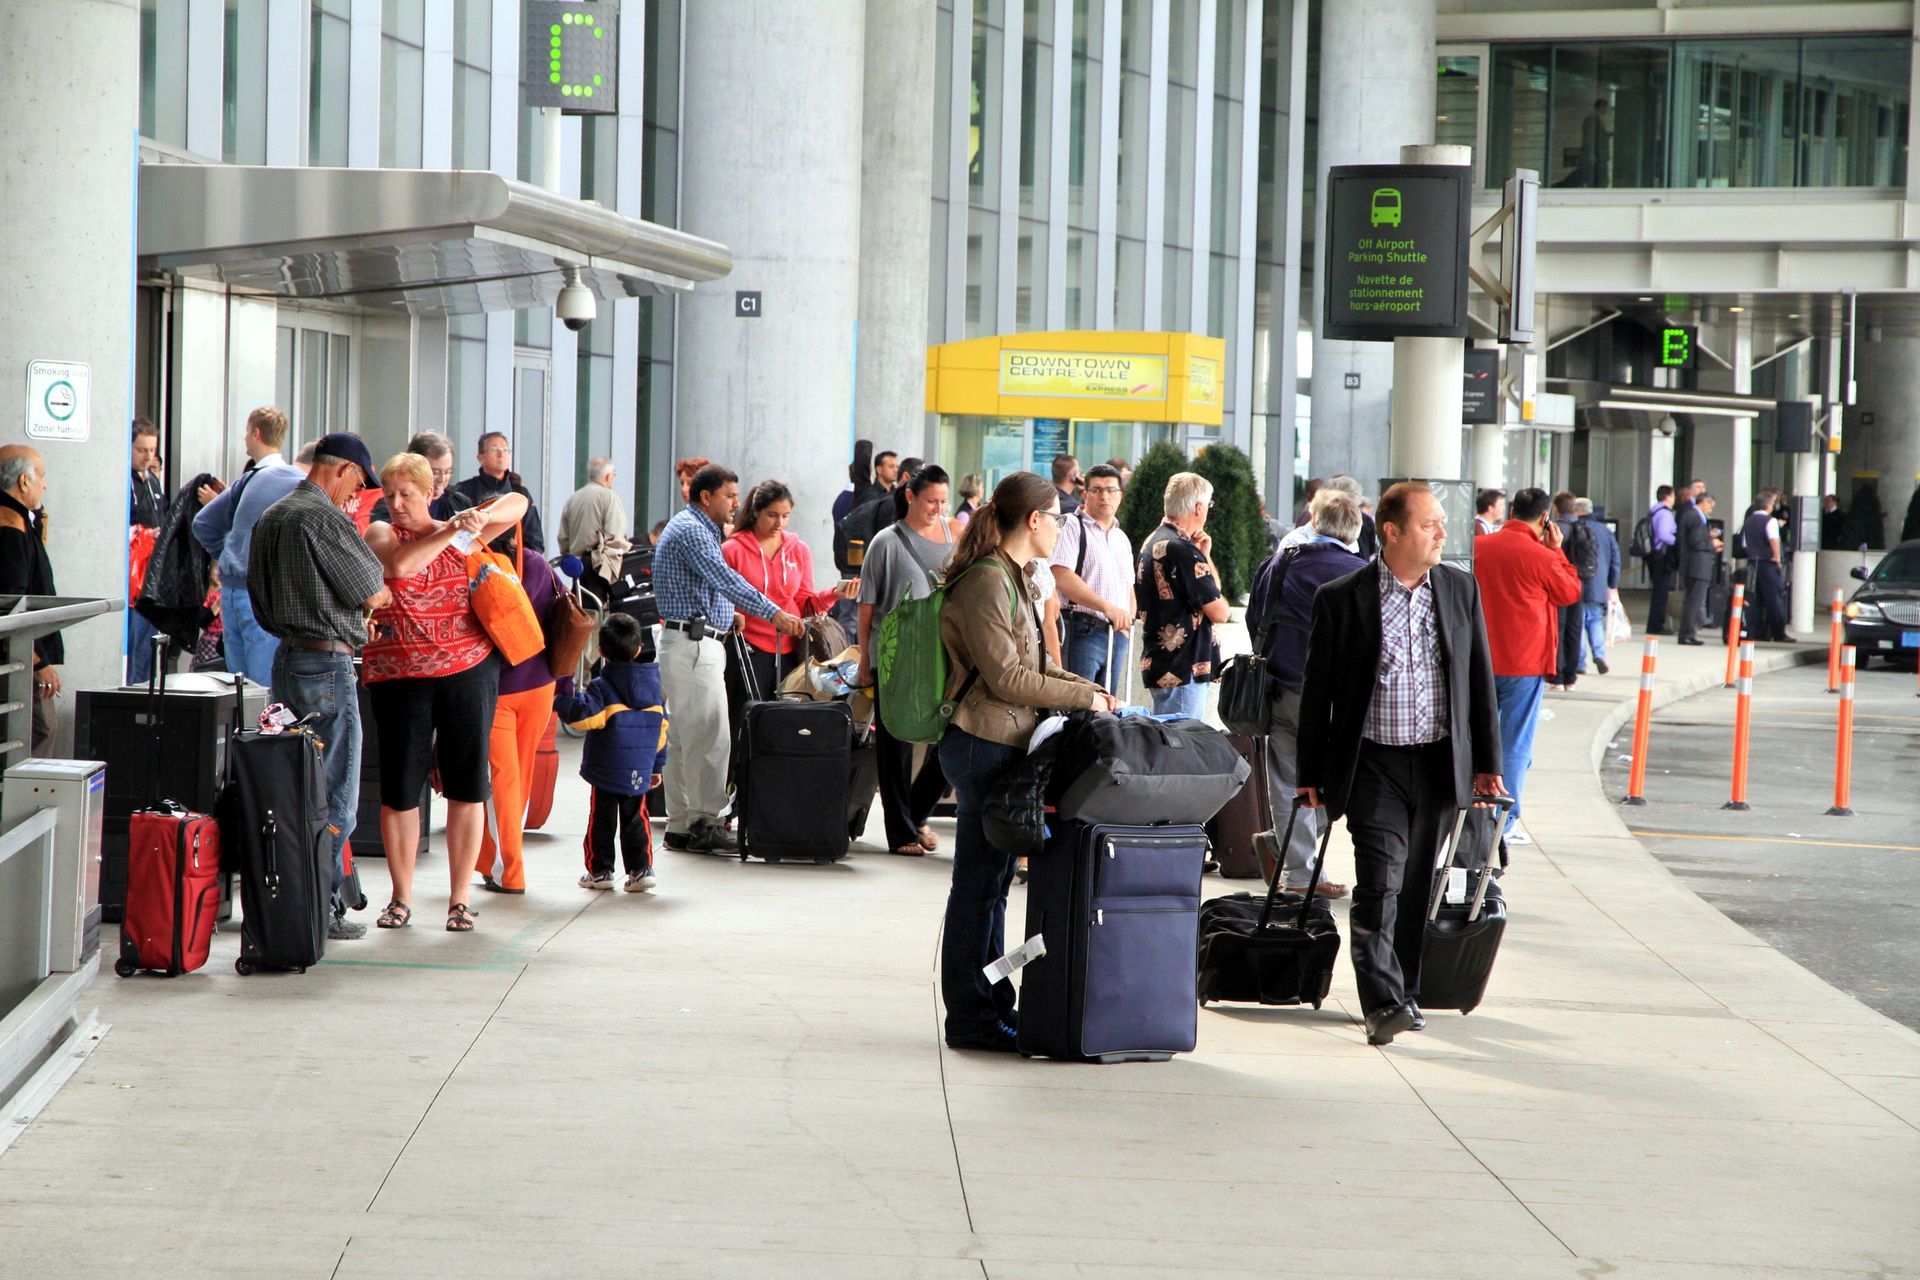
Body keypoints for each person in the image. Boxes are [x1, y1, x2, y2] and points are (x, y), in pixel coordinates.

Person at [1296, 482, 1503, 1047]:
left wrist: (1487, 762)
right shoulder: (1343, 597)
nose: (1442, 533)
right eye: (1429, 524)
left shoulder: (1459, 589)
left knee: (1415, 886)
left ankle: (1406, 992)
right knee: (1380, 880)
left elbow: (1477, 678)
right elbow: (1318, 694)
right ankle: (1381, 1003)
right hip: (1371, 764)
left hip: (1438, 761)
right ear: (1392, 531)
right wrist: (1309, 772)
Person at [936, 471, 1114, 1052]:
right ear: (1033, 520)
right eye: (1058, 517)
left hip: (1004, 743)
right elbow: (1008, 678)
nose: (1062, 527)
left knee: (992, 889)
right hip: (981, 743)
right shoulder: (987, 582)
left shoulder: (1016, 577)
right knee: (977, 888)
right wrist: (1083, 696)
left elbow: (1036, 665)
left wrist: (1093, 691)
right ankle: (969, 1017)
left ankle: (993, 1006)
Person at [362, 452, 527, 933]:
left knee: (467, 785)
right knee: (399, 789)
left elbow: (519, 504)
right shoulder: (381, 533)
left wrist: (479, 516)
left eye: (406, 494)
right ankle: (401, 897)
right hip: (401, 675)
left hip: (468, 669)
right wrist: (453, 530)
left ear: (429, 492)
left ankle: (459, 900)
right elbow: (402, 567)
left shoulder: (459, 530)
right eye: (389, 494)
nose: (395, 504)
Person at [244, 433, 393, 939]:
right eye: (359, 481)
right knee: (333, 794)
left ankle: (300, 902)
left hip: (286, 659)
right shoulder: (322, 517)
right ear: (343, 469)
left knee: (295, 787)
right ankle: (321, 906)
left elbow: (259, 597)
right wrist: (363, 608)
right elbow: (374, 590)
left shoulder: (274, 514)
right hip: (326, 668)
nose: (357, 494)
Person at [653, 464, 805, 854]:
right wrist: (774, 613)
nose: (738, 503)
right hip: (694, 647)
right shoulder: (693, 531)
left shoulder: (694, 528)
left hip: (690, 641)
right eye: (730, 496)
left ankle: (682, 825)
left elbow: (702, 585)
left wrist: (726, 614)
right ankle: (706, 821)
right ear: (707, 497)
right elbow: (725, 578)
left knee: (687, 740)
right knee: (710, 737)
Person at [1246, 488, 1367, 898]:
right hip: (1335, 698)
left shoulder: (1280, 562)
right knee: (1336, 780)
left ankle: (1293, 861)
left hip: (1282, 685)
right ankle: (1294, 862)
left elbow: (1255, 617)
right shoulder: (1359, 573)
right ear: (1354, 530)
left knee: (1286, 780)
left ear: (1314, 522)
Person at [855, 465, 957, 856]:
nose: (938, 508)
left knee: (949, 734)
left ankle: (916, 812)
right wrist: (865, 656)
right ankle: (899, 831)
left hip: (942, 654)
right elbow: (868, 606)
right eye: (931, 500)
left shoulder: (954, 534)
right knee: (894, 742)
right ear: (910, 496)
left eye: (943, 501)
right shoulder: (886, 542)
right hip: (895, 653)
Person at [1471, 487, 1580, 844]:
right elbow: (1569, 592)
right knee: (1514, 743)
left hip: (1479, 659)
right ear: (1545, 519)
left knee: (1478, 738)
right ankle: (1505, 820)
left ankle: (1473, 811)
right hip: (1524, 662)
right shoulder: (1542, 555)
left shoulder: (1479, 547)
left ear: (1512, 510)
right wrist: (1557, 549)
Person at [724, 479, 850, 781]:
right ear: (755, 512)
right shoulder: (733, 550)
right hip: (748, 649)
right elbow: (727, 599)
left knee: (786, 726)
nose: (779, 522)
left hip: (791, 652)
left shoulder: (798, 549)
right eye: (772, 515)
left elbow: (805, 603)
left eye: (785, 515)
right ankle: (733, 797)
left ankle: (776, 796)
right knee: (741, 724)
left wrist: (835, 593)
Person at [190, 406, 304, 689]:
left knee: (241, 689)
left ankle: (239, 734)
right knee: (262, 689)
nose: (244, 439)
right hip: (261, 595)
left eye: (245, 433)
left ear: (255, 433)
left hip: (232, 592)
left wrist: (229, 558)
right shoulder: (293, 483)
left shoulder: (252, 479)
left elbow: (203, 523)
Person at [555, 612, 669, 893]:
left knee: (602, 819)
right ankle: (641, 870)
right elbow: (662, 729)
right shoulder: (654, 688)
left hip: (606, 768)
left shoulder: (602, 687)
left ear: (602, 652)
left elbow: (582, 718)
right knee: (636, 817)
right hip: (639, 768)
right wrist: (656, 766)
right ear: (639, 649)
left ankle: (600, 870)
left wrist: (563, 692)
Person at [477, 537, 566, 897]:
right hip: (540, 685)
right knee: (520, 775)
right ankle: (490, 861)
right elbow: (562, 617)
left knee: (501, 781)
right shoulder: (539, 565)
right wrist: (565, 685)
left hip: (499, 687)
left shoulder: (480, 564)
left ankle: (509, 871)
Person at [1136, 471, 1230, 720]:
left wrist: (1205, 555)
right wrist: (1199, 556)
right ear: (1199, 507)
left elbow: (1211, 592)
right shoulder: (1181, 550)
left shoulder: (1155, 540)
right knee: (1182, 749)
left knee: (1169, 744)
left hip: (1166, 665)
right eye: (1208, 505)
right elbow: (1220, 611)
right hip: (1184, 668)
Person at [1049, 463, 1134, 691]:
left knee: (1107, 712)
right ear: (1085, 494)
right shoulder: (1072, 526)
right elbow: (1060, 574)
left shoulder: (1121, 538)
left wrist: (1126, 628)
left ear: (1120, 496)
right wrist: (1107, 607)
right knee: (1079, 707)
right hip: (1082, 630)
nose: (1104, 496)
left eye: (1110, 490)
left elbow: (1129, 587)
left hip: (1115, 636)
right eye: (1096, 490)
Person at [0, 446, 61, 754]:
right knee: (40, 731)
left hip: (22, 653)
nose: (45, 484)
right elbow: (12, 604)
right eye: (42, 476)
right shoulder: (10, 525)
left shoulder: (21, 518)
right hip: (18, 656)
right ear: (24, 481)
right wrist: (40, 662)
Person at [446, 431, 544, 555]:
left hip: (513, 566)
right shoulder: (463, 491)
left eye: (505, 449)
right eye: (494, 449)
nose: (501, 454)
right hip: (477, 560)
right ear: (480, 457)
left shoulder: (520, 492)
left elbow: (535, 541)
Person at [128, 418, 169, 684]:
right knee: (134, 650)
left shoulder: (153, 482)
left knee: (148, 648)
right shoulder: (124, 482)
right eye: (142, 450)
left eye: (152, 450)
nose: (148, 456)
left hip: (152, 581)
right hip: (132, 582)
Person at [368, 431, 469, 524]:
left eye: (447, 472)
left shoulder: (460, 502)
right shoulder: (391, 506)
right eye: (435, 472)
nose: (442, 479)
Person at [1550, 491, 1596, 689]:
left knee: (1558, 629)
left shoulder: (1558, 528)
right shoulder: (1584, 527)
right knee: (1575, 629)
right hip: (1579, 584)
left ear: (1557, 509)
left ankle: (1557, 676)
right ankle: (1571, 678)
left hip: (1560, 585)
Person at [1574, 497, 1621, 675]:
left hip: (1578, 583)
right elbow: (1615, 559)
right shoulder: (1605, 531)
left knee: (1577, 622)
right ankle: (1599, 654)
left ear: (1578, 511)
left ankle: (1580, 662)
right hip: (1599, 584)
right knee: (1594, 621)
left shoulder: (1574, 528)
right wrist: (1612, 584)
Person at [559, 456, 629, 561]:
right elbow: (615, 535)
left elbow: (563, 538)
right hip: (601, 565)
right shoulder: (609, 497)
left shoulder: (573, 499)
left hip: (577, 565)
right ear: (608, 477)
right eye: (613, 474)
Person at [1677, 491, 1723, 646]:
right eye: (1711, 506)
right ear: (1705, 502)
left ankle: (1687, 632)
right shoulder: (1696, 517)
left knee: (1691, 600)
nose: (1711, 510)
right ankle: (1688, 634)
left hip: (1692, 565)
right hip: (1697, 566)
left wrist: (1707, 537)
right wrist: (1712, 545)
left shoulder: (1691, 516)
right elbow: (1696, 542)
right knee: (1694, 601)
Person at [1743, 488, 1789, 642]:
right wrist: (1777, 557)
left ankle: (1758, 631)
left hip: (1753, 563)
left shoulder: (1748, 521)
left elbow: (1744, 542)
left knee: (1756, 599)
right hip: (1768, 563)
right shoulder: (1770, 521)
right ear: (1769, 505)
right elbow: (1774, 540)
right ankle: (1778, 633)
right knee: (1774, 598)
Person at [1643, 485, 1679, 635]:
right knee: (1661, 591)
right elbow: (1664, 534)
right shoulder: (1665, 513)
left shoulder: (1654, 511)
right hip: (1661, 554)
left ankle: (1655, 623)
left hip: (1653, 554)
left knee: (1658, 590)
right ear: (1669, 496)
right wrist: (1676, 540)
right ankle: (1657, 624)